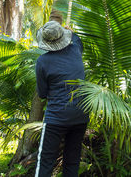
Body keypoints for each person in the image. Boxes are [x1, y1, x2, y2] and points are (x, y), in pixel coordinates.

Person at [34, 13, 89, 177]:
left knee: (45, 161)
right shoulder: (76, 49)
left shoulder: (42, 62)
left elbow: (42, 94)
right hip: (81, 116)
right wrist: (68, 30)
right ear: (63, 37)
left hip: (56, 119)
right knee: (72, 161)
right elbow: (76, 38)